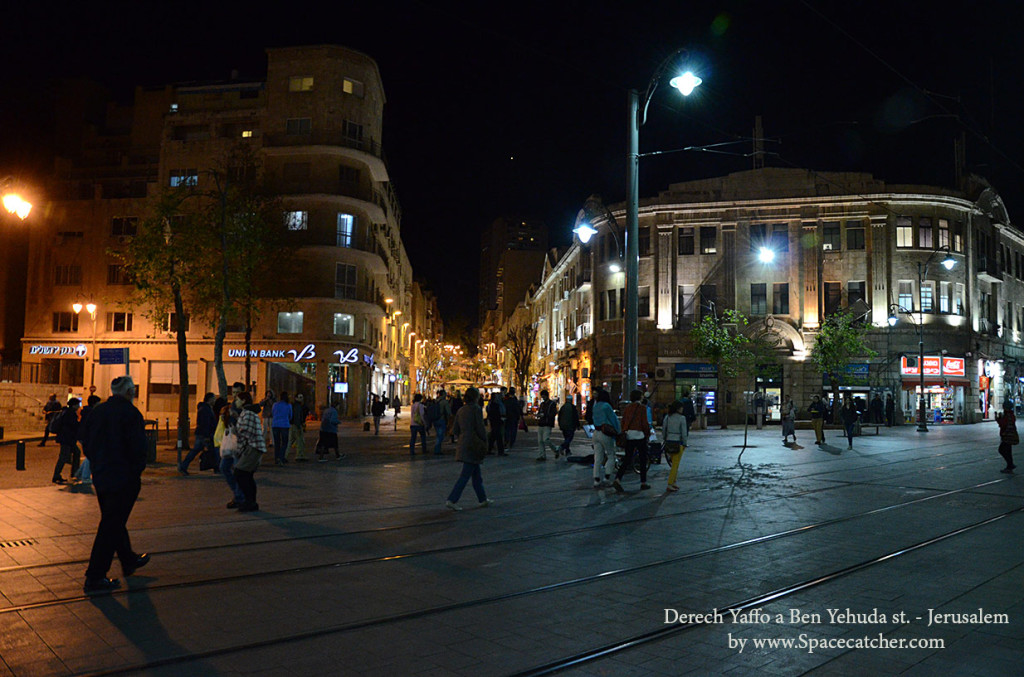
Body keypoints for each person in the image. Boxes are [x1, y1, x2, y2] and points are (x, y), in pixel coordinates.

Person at [79, 376, 149, 594]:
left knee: (113, 519)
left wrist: (98, 464)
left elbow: (86, 441)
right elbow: (139, 448)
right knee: (111, 524)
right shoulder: (131, 414)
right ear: (129, 392)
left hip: (102, 475)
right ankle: (95, 575)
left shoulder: (97, 412)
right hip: (124, 477)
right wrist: (135, 470)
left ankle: (128, 559)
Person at [445, 387, 493, 510]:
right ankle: (452, 499)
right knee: (466, 474)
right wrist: (485, 440)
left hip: (463, 443)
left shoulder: (461, 410)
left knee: (476, 473)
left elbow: (455, 430)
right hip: (474, 444)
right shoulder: (475, 409)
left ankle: (482, 499)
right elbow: (480, 427)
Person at [232, 391, 267, 512]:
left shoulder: (248, 414)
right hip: (253, 447)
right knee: (247, 475)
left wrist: (235, 432)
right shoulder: (247, 413)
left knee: (240, 473)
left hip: (253, 447)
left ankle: (249, 501)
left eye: (237, 399)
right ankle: (250, 502)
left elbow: (245, 432)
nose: (235, 402)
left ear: (243, 401)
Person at [613, 390, 652, 492]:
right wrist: (647, 434)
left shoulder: (627, 408)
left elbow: (624, 421)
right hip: (640, 435)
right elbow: (644, 423)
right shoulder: (642, 408)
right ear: (640, 397)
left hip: (629, 435)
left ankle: (618, 479)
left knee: (627, 459)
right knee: (643, 458)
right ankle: (643, 482)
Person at [214, 405, 246, 508]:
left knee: (237, 473)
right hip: (230, 448)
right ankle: (238, 494)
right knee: (224, 468)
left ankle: (240, 496)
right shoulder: (229, 413)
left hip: (237, 448)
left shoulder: (238, 412)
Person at [178, 392, 217, 475]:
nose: (215, 400)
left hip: (202, 434)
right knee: (211, 450)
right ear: (210, 399)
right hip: (204, 434)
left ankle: (184, 466)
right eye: (214, 399)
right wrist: (206, 436)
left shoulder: (205, 408)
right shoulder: (206, 409)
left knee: (197, 450)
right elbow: (205, 423)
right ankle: (216, 467)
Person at [591, 389, 619, 488]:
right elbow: (613, 419)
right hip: (605, 433)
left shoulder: (595, 406)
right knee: (611, 455)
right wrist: (618, 431)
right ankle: (607, 478)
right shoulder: (606, 406)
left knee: (598, 457)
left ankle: (596, 479)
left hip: (596, 433)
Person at [51, 397, 81, 485]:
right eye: (78, 404)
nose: (79, 406)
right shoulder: (70, 413)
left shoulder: (66, 412)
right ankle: (56, 475)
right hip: (67, 439)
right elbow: (72, 426)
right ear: (74, 405)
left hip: (67, 438)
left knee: (76, 452)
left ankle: (74, 473)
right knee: (63, 457)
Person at [662, 400, 689, 492]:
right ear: (678, 408)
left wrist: (665, 439)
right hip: (678, 442)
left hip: (669, 441)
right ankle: (670, 483)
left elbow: (664, 430)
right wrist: (685, 443)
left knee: (674, 463)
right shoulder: (682, 418)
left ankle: (673, 482)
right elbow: (684, 433)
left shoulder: (667, 417)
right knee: (675, 465)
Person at [75, 395, 102, 485]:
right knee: (91, 456)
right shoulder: (92, 413)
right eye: (98, 403)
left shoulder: (86, 412)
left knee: (89, 455)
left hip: (83, 435)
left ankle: (79, 474)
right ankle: (85, 477)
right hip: (87, 436)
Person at [535, 389, 560, 461]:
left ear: (546, 396)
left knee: (546, 439)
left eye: (544, 396)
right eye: (542, 396)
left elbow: (553, 413)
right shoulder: (542, 404)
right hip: (541, 423)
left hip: (547, 424)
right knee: (540, 441)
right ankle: (542, 455)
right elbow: (540, 411)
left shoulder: (552, 404)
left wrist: (545, 415)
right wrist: (539, 415)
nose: (543, 397)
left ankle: (555, 449)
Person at [995, 400, 1018, 474]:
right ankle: (1010, 466)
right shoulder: (1012, 415)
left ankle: (1010, 465)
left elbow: (1003, 424)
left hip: (1006, 436)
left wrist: (998, 418)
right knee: (1008, 451)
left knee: (1001, 450)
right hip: (1011, 435)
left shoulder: (1007, 415)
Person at [271, 391, 292, 466]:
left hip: (275, 424)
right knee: (284, 442)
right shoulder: (288, 405)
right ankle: (281, 457)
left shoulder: (275, 405)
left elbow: (273, 413)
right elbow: (290, 415)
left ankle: (276, 458)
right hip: (285, 425)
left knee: (277, 443)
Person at [287, 393, 309, 461]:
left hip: (292, 425)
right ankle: (299, 456)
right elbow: (297, 416)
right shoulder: (297, 406)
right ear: (296, 398)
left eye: (302, 397)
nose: (301, 398)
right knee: (300, 441)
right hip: (296, 425)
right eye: (299, 397)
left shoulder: (295, 405)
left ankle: (284, 455)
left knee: (290, 441)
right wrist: (299, 426)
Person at [485, 391, 506, 456]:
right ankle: (500, 451)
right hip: (497, 421)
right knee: (498, 436)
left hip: (493, 421)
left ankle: (490, 449)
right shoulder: (496, 405)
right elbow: (498, 413)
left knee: (493, 436)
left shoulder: (490, 404)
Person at [432, 389, 452, 455]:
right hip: (441, 419)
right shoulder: (444, 402)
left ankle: (437, 448)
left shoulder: (435, 401)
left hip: (435, 419)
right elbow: (448, 412)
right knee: (440, 436)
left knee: (438, 434)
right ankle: (437, 450)